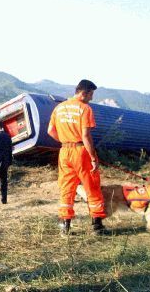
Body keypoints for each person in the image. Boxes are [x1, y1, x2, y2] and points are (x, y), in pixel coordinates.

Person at [47, 79, 108, 236]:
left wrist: (65, 141)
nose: (92, 98)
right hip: (80, 151)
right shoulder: (84, 108)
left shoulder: (59, 108)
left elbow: (50, 131)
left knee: (67, 188)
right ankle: (97, 226)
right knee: (92, 186)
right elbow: (86, 136)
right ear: (84, 92)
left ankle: (64, 227)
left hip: (64, 152)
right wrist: (93, 157)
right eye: (91, 94)